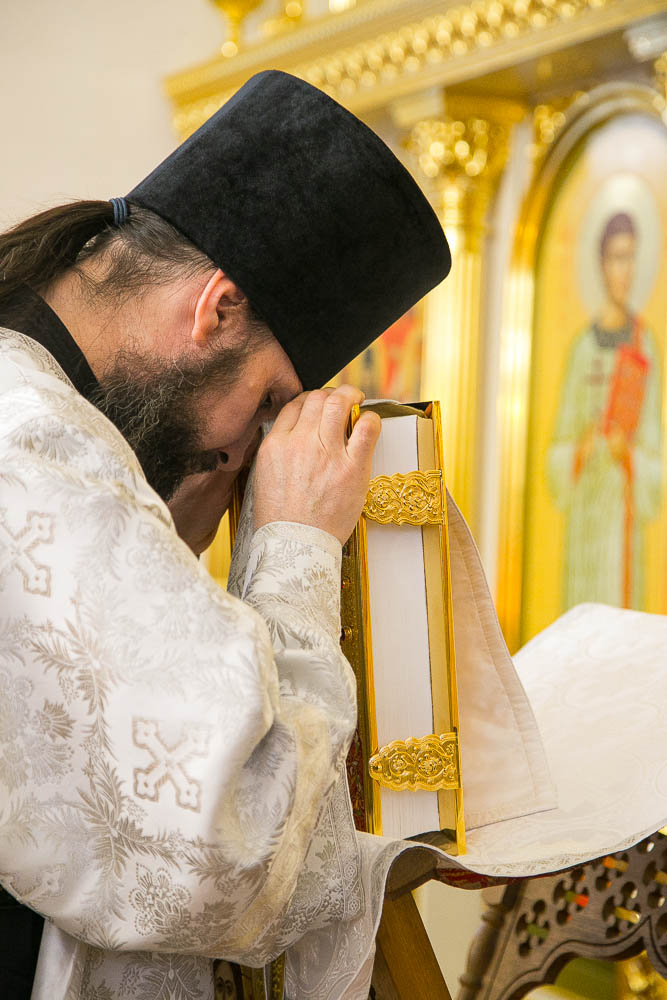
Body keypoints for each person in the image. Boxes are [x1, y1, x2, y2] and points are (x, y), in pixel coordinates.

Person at [0, 70, 450, 999]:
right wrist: (293, 543)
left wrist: (161, 536)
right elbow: (216, 858)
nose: (239, 452)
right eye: (268, 400)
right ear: (216, 308)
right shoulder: (42, 442)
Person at [548, 211, 662, 610]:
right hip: (584, 516)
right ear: (601, 264)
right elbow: (556, 449)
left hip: (621, 513)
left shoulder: (645, 346)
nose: (624, 270)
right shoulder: (581, 349)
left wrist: (626, 455)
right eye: (616, 257)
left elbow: (656, 451)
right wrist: (578, 451)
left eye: (631, 257)